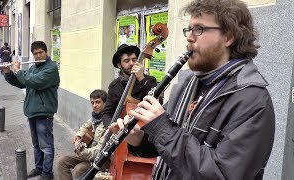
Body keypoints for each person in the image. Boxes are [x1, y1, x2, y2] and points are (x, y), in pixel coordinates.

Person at [108, 0, 275, 179]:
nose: (189, 37)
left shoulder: (253, 100)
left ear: (229, 37)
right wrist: (139, 139)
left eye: (199, 29)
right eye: (189, 29)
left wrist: (161, 128)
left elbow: (221, 174)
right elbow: (167, 146)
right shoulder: (188, 82)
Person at [1, 41, 60, 180]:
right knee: (36, 145)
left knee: (46, 146)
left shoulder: (51, 68)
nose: (38, 56)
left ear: (46, 52)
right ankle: (39, 168)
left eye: (41, 53)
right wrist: (9, 73)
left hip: (44, 113)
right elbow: (21, 82)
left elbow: (35, 82)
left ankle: (47, 173)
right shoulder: (34, 68)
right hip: (32, 111)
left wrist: (18, 70)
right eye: (36, 54)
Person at [101, 44, 157, 127]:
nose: (131, 63)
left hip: (146, 130)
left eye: (134, 60)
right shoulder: (114, 86)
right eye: (127, 61)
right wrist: (112, 127)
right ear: (119, 65)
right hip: (122, 131)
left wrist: (141, 78)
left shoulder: (150, 80)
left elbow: (155, 103)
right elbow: (107, 113)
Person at [57, 89, 108, 179]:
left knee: (79, 169)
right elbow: (85, 126)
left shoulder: (108, 121)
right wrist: (78, 136)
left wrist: (82, 151)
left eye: (98, 102)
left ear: (105, 103)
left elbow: (98, 151)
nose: (94, 105)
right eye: (92, 103)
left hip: (102, 159)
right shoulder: (95, 117)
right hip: (88, 152)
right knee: (62, 162)